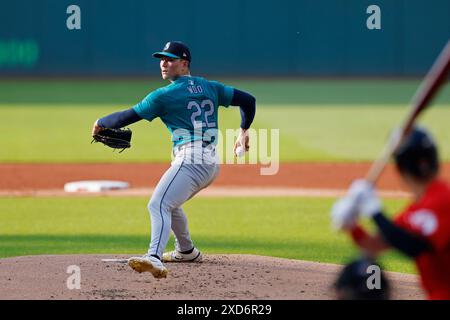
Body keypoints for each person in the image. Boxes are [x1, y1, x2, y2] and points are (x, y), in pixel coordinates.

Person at [91, 41, 256, 278]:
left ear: (185, 63)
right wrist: (244, 130)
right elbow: (249, 100)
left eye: (170, 59)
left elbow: (124, 118)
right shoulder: (210, 87)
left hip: (191, 159)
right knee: (171, 203)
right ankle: (186, 250)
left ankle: (154, 257)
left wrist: (99, 123)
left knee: (157, 204)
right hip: (210, 162)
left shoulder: (163, 96)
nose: (164, 63)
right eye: (162, 59)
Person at [331, 126, 450, 299]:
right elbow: (375, 244)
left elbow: (414, 246)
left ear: (400, 169)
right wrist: (352, 225)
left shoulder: (443, 202)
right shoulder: (416, 211)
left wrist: (375, 212)